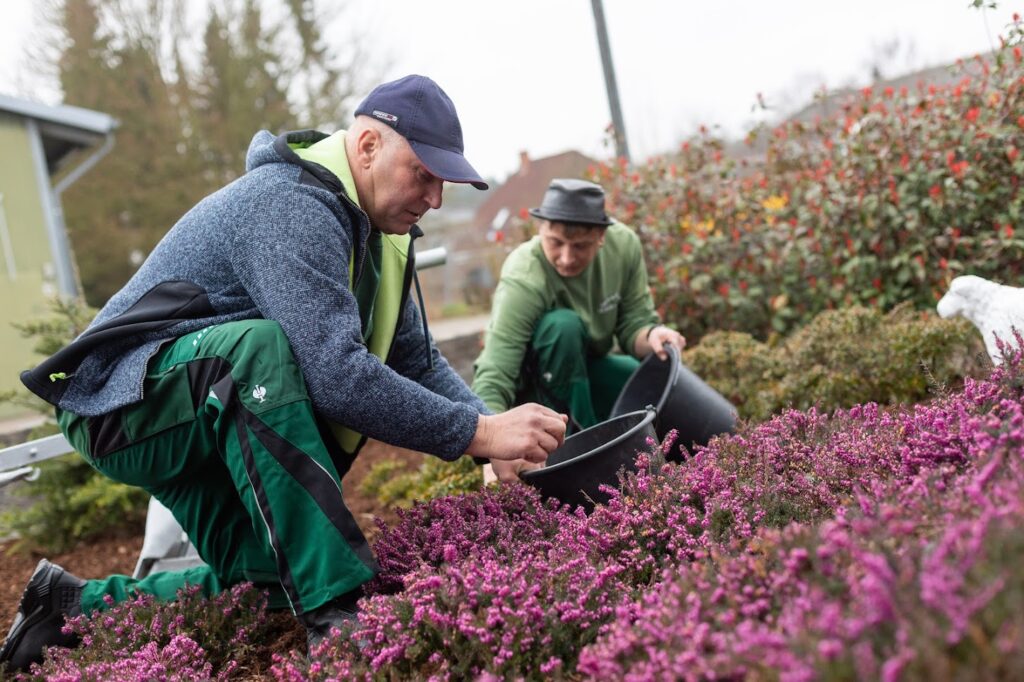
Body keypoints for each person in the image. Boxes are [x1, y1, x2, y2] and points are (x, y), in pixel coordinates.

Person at [0, 75, 566, 672]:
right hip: (123, 402)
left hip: (206, 408)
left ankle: (65, 610)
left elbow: (415, 359)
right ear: (368, 145)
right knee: (256, 351)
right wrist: (477, 435)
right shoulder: (289, 203)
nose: (435, 197)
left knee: (266, 582)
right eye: (423, 174)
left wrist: (488, 432)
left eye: (443, 181)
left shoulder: (382, 235)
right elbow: (338, 377)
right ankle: (338, 617)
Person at [472, 178, 684, 479]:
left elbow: (633, 324)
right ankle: (573, 458)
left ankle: (672, 466)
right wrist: (495, 439)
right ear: (540, 230)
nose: (567, 258)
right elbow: (496, 370)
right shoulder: (524, 275)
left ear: (601, 237)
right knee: (563, 327)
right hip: (532, 391)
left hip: (584, 369)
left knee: (642, 385)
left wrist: (652, 335)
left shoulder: (623, 247)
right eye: (556, 243)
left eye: (581, 246)